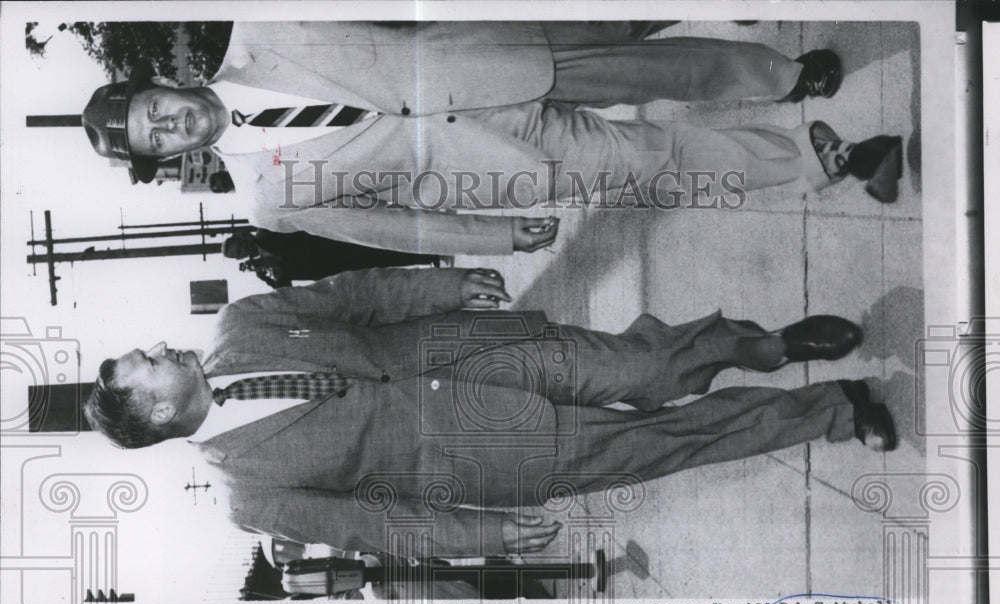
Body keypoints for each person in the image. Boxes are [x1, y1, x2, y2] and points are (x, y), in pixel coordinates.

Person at [83, 268, 897, 558]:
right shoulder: (246, 497)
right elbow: (377, 526)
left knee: (645, 363)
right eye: (151, 362)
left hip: (474, 351)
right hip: (491, 456)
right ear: (154, 412)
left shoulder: (239, 325)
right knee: (669, 442)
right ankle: (834, 407)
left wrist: (441, 287)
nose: (164, 346)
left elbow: (351, 298)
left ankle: (764, 345)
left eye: (152, 345)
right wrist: (482, 534)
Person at [81, 21, 904, 257]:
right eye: (157, 138)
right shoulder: (266, 198)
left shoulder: (268, 24)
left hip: (492, 60)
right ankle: (813, 161)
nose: (170, 122)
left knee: (653, 68)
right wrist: (495, 236)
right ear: (166, 157)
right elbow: (387, 228)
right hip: (489, 168)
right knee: (651, 162)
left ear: (164, 83)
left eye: (155, 105)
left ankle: (782, 77)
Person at [222, 228, 440, 289]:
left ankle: (425, 247)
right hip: (328, 268)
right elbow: (286, 289)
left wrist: (273, 262)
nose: (243, 252)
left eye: (239, 247)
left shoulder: (267, 233)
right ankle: (423, 257)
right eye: (238, 255)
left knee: (378, 248)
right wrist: (268, 277)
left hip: (331, 248)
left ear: (243, 235)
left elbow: (297, 245)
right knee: (379, 264)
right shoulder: (261, 269)